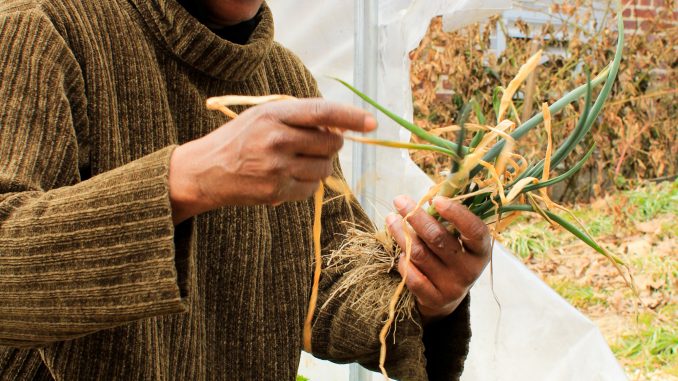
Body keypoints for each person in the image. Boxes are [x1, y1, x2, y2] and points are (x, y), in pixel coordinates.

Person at [0, 0, 491, 380]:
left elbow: (326, 284)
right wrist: (186, 180)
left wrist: (426, 296)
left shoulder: (285, 79)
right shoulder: (39, 30)